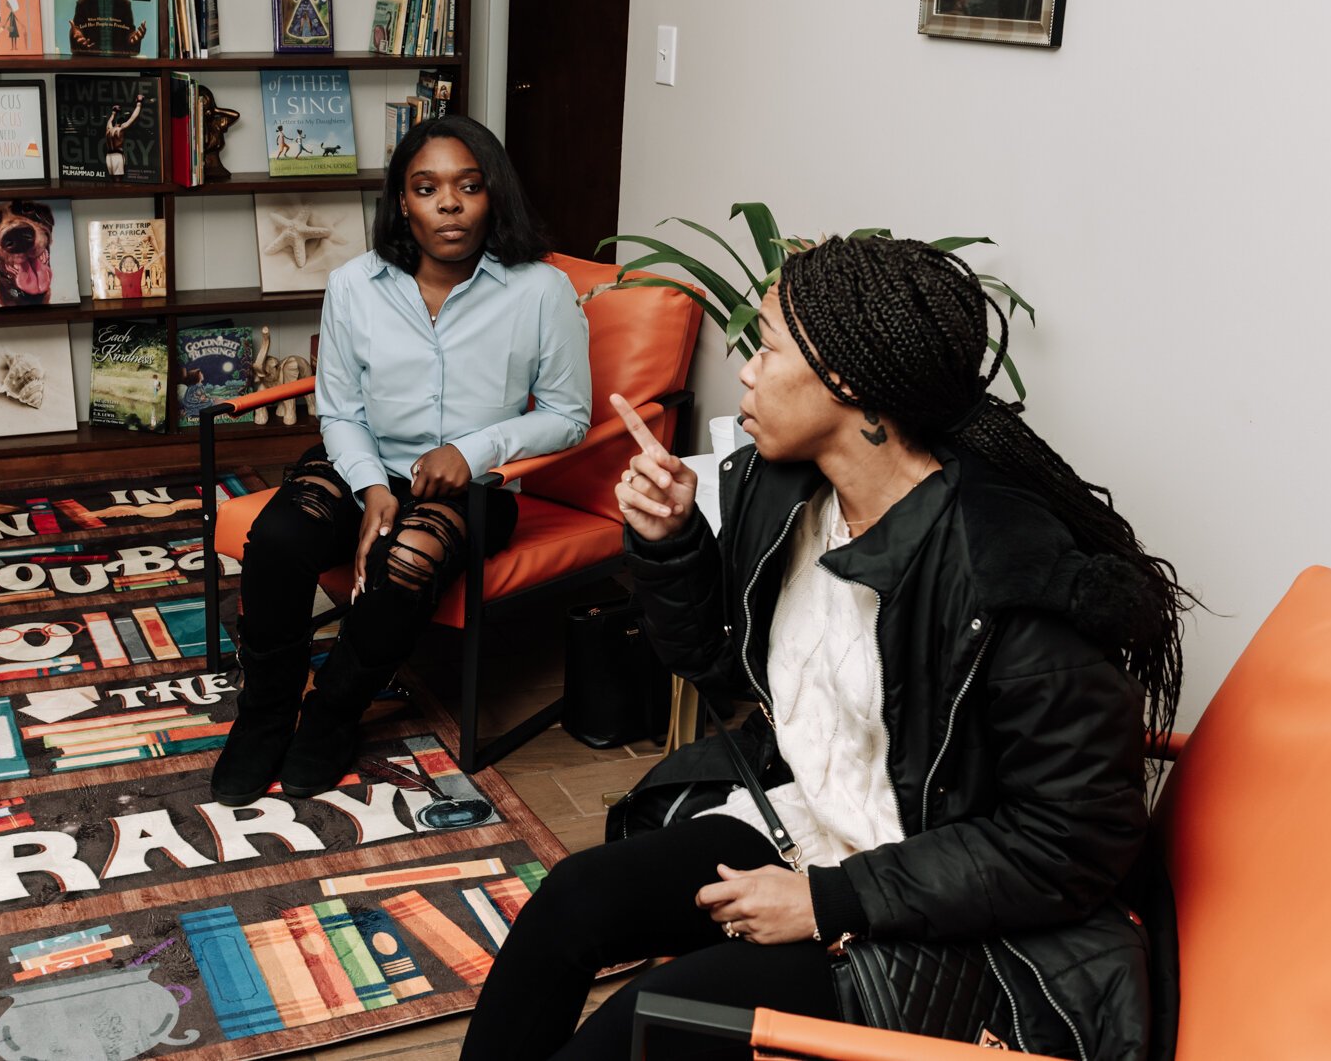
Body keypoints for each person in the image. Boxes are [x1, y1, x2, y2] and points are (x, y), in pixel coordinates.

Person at [461, 235, 1192, 1060]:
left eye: (766, 347)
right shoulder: (788, 490)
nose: (744, 371)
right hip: (812, 818)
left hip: (947, 905)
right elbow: (718, 663)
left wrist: (827, 901)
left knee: (644, 1022)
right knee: (571, 901)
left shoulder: (1009, 573)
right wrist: (671, 541)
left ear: (845, 380)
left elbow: (1072, 841)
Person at [209, 115, 592, 807]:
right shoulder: (354, 284)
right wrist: (369, 487)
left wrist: (471, 449)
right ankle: (264, 714)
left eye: (468, 186)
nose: (449, 204)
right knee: (278, 537)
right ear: (402, 202)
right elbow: (339, 410)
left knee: (410, 558)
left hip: (476, 488)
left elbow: (569, 414)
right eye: (427, 188)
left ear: (493, 195)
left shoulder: (541, 290)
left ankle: (330, 714)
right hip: (365, 459)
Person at [102, 94, 144, 179]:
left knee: (112, 179)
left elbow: (110, 120)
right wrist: (139, 103)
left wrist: (113, 113)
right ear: (122, 123)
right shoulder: (120, 129)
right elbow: (133, 118)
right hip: (117, 156)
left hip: (108, 156)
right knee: (118, 180)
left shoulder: (109, 129)